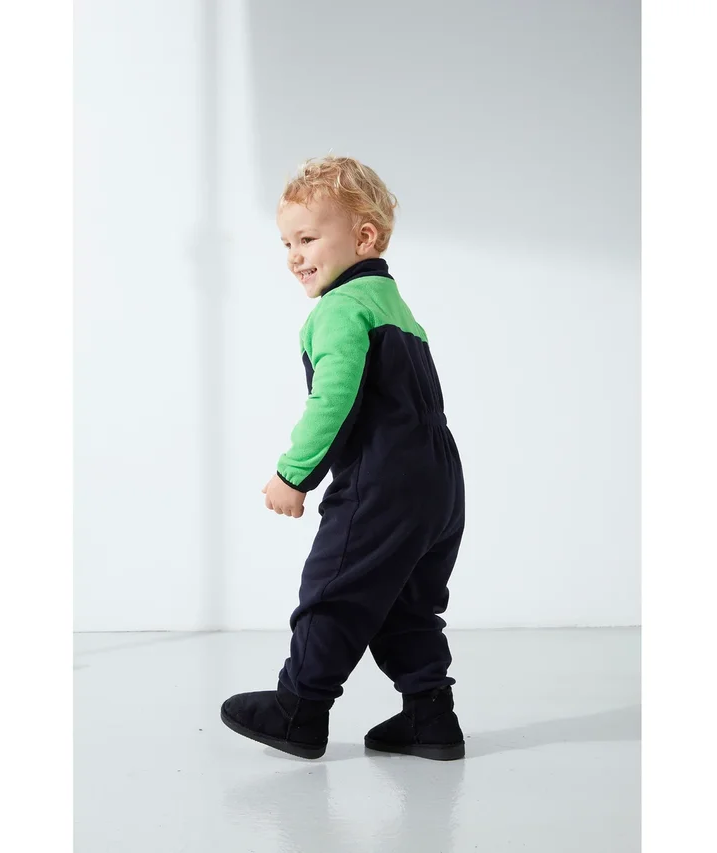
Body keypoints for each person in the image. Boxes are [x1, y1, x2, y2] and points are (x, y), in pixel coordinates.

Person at [220, 156, 466, 760]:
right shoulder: (396, 308)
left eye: (307, 239)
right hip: (438, 483)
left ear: (364, 237)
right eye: (286, 243)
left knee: (335, 590)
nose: (294, 256)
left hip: (382, 482)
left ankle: (298, 709)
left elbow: (335, 398)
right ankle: (430, 717)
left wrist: (294, 474)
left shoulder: (339, 309)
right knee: (409, 603)